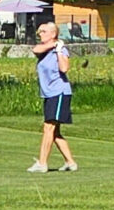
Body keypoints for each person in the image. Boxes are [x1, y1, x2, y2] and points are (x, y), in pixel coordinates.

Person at [29, 21, 78, 172]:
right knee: (54, 132)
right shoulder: (43, 49)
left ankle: (42, 163)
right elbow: (35, 50)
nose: (40, 34)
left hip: (59, 93)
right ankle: (70, 163)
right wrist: (54, 45)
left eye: (43, 31)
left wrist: (58, 49)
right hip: (49, 94)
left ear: (53, 34)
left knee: (48, 128)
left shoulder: (61, 50)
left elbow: (64, 68)